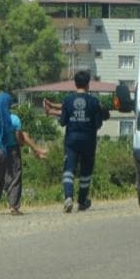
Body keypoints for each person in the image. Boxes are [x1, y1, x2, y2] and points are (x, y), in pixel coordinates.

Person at [0, 92, 48, 215]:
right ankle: (13, 207)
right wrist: (22, 143)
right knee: (14, 178)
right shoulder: (14, 119)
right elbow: (18, 138)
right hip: (11, 151)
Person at [58, 70, 109, 213]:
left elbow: (62, 122)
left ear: (75, 83)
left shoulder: (67, 101)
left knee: (69, 169)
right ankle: (82, 201)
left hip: (71, 140)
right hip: (88, 140)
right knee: (86, 171)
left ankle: (68, 198)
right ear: (88, 84)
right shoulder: (94, 101)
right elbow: (100, 122)